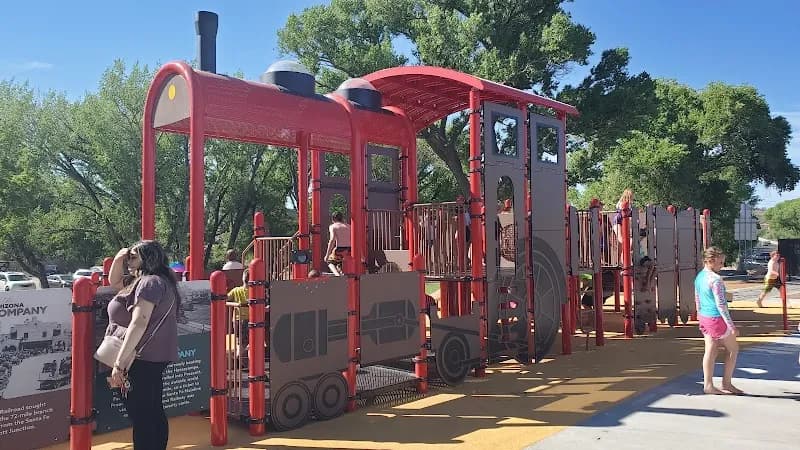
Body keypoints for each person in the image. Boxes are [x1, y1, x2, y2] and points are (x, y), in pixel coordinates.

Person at [106, 240, 180, 449]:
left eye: (134, 257)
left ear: (148, 258)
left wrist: (119, 363)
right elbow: (115, 282)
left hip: (139, 357)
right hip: (151, 357)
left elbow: (139, 322)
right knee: (152, 411)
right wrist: (120, 257)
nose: (129, 261)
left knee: (142, 416)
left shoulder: (149, 283)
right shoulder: (157, 281)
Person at [694, 246, 742, 395]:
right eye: (720, 262)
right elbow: (721, 304)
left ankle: (708, 384)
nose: (722, 265)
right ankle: (726, 383)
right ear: (711, 261)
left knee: (710, 350)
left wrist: (698, 314)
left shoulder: (700, 276)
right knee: (733, 349)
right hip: (716, 318)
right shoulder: (716, 280)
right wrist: (731, 325)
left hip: (704, 317)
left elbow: (697, 297)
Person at [227, 270, 250, 363]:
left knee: (239, 342)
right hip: (248, 319)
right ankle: (238, 359)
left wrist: (235, 304)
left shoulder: (236, 290)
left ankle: (239, 359)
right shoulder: (253, 291)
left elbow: (225, 298)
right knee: (247, 343)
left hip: (236, 319)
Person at [325, 212, 351, 276]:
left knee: (330, 261)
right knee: (341, 262)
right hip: (350, 249)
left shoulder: (333, 226)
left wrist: (327, 255)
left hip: (340, 249)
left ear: (333, 219)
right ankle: (342, 272)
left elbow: (332, 240)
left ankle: (337, 275)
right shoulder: (349, 226)